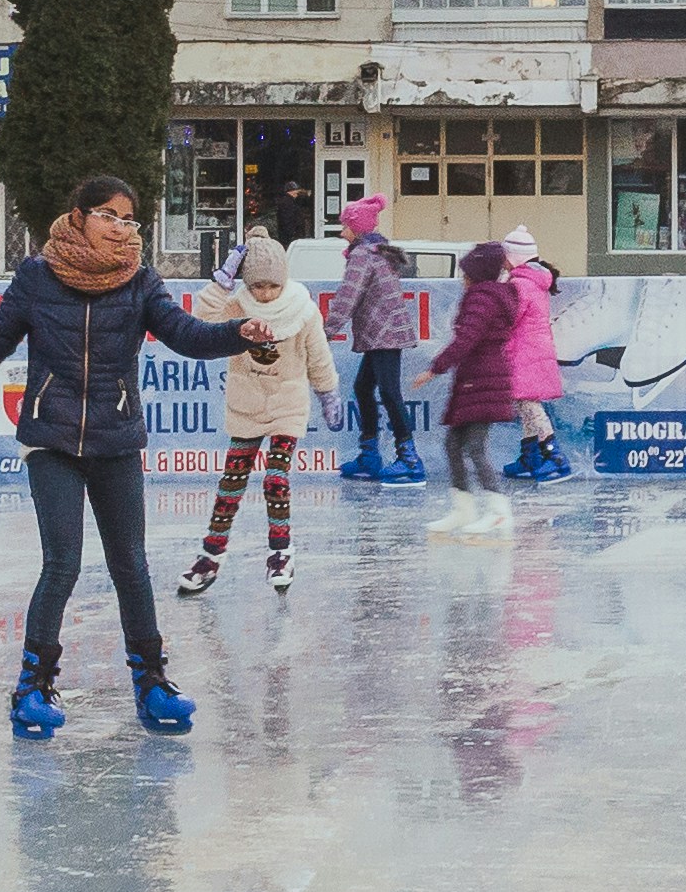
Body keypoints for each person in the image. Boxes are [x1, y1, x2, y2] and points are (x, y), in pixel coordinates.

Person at [0, 176, 268, 737]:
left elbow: (185, 334)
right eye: (108, 215)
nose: (119, 227)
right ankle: (32, 685)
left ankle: (152, 682)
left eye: (128, 219)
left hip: (116, 438)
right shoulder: (38, 275)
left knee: (131, 564)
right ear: (78, 216)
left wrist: (238, 333)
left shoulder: (141, 280)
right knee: (63, 562)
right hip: (51, 440)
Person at [181, 232, 337, 594]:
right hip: (247, 402)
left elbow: (318, 355)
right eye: (257, 286)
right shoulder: (236, 306)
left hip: (287, 404)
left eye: (271, 286)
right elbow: (202, 323)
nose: (265, 293)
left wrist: (328, 392)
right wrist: (221, 283)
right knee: (230, 484)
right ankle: (211, 555)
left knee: (275, 479)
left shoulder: (302, 309)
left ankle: (281, 551)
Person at [422, 238, 526, 539]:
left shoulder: (482, 298)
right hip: (477, 378)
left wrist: (435, 367)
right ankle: (463, 509)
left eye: (465, 272)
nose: (462, 279)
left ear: (477, 274)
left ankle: (498, 512)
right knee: (453, 444)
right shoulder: (489, 295)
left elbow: (467, 338)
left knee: (475, 447)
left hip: (483, 379)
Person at [334, 195, 428, 485]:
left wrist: (325, 329)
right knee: (363, 387)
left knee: (388, 392)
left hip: (384, 332)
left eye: (345, 227)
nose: (341, 232)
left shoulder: (363, 256)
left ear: (358, 229)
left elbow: (348, 296)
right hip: (382, 331)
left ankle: (410, 458)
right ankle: (370, 454)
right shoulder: (377, 252)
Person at [497, 225, 569, 483]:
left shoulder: (519, 284)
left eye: (504, 255)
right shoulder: (533, 281)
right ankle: (530, 456)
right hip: (533, 350)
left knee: (529, 405)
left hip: (523, 352)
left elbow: (509, 318)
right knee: (524, 404)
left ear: (514, 257)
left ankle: (555, 457)